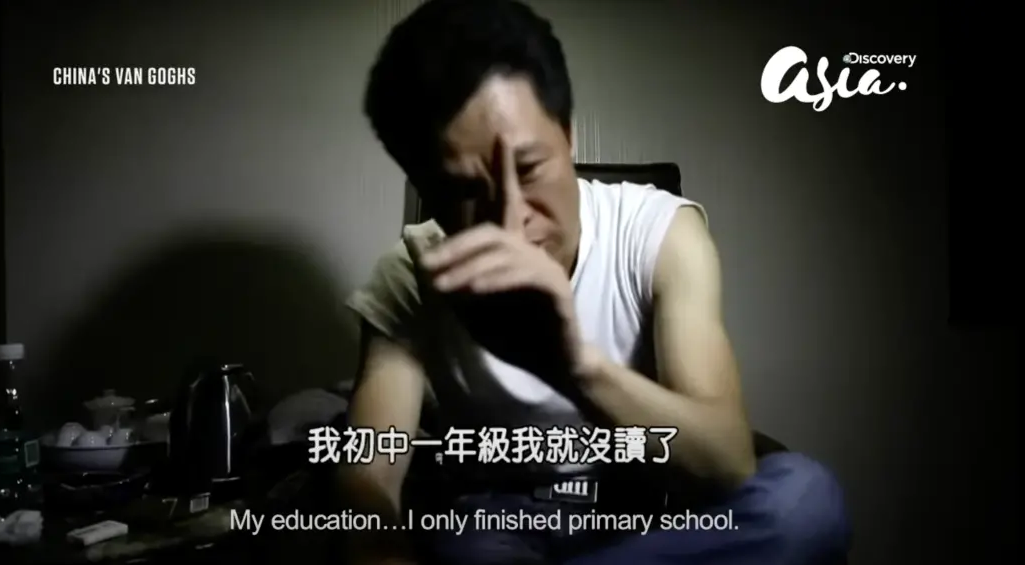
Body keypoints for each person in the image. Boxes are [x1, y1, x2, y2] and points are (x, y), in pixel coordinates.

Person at [337, 1, 850, 564]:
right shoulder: (412, 275)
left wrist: (575, 367)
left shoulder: (659, 233)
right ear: (427, 188)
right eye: (465, 191)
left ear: (569, 135)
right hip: (497, 524)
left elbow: (726, 461)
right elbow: (370, 475)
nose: (511, 221)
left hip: (646, 520)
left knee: (805, 501)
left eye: (529, 169)